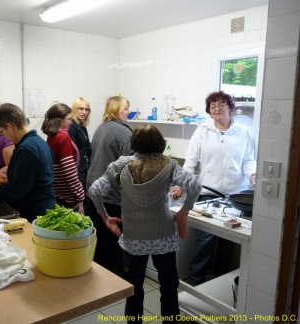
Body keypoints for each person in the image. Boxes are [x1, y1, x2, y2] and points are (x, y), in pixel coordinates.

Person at [89, 124, 201, 324]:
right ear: (160, 143)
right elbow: (195, 185)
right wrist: (184, 211)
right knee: (168, 284)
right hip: (162, 235)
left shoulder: (121, 164)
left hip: (134, 236)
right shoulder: (169, 165)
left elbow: (95, 190)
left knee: (134, 284)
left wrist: (105, 216)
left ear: (135, 144)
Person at [175, 91, 256, 286]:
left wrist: (253, 175)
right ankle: (195, 281)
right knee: (206, 239)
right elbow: (190, 162)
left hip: (236, 195)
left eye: (220, 104)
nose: (217, 108)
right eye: (212, 106)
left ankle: (220, 280)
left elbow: (248, 160)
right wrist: (182, 184)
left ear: (230, 107)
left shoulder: (243, 132)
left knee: (229, 240)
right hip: (208, 195)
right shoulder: (203, 130)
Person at [0, 103, 56, 222]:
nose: (4, 136)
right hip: (44, 205)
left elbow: (18, 189)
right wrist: (11, 178)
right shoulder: (39, 142)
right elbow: (35, 178)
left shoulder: (26, 149)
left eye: (2, 131)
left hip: (35, 210)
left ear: (10, 126)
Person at [86, 95, 133, 277]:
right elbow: (127, 169)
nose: (129, 112)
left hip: (94, 190)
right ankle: (113, 279)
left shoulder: (101, 128)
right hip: (111, 194)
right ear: (115, 110)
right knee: (113, 241)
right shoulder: (125, 133)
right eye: (125, 108)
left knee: (99, 240)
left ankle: (97, 275)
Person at [41, 103, 85, 213]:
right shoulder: (63, 138)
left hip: (57, 194)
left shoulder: (52, 136)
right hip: (68, 197)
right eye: (69, 119)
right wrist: (80, 195)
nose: (71, 122)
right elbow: (69, 171)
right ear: (59, 120)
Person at [68, 97, 92, 189]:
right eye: (80, 109)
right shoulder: (72, 126)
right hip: (76, 171)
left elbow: (86, 146)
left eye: (86, 109)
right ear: (74, 109)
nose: (84, 112)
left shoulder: (81, 126)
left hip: (83, 168)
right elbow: (71, 152)